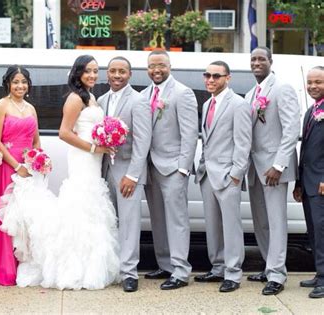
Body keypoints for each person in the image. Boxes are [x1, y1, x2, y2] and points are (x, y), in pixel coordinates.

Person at [0, 55, 120, 290]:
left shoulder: (92, 96)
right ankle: (74, 268)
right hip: (83, 158)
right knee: (81, 206)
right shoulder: (75, 98)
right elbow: (64, 133)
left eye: (96, 71)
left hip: (94, 159)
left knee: (92, 207)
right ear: (78, 73)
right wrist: (96, 147)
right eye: (88, 71)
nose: (93, 75)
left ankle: (91, 265)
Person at [140, 50, 198, 290]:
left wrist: (183, 168)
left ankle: (181, 270)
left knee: (177, 220)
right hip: (150, 166)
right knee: (158, 219)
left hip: (173, 167)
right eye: (152, 66)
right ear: (147, 69)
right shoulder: (143, 95)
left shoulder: (183, 93)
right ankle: (165, 265)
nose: (157, 70)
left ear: (170, 66)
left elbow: (190, 134)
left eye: (161, 65)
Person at [246, 46, 300, 295]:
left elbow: (291, 129)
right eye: (253, 59)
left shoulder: (282, 88)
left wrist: (279, 165)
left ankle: (277, 275)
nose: (257, 63)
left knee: (276, 222)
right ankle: (269, 267)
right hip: (254, 169)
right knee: (261, 222)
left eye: (261, 59)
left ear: (270, 61)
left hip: (273, 169)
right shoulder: (249, 94)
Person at [194, 61, 252, 293]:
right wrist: (202, 166)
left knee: (231, 226)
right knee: (213, 226)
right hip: (207, 174)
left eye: (216, 76)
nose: (210, 79)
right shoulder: (208, 103)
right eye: (207, 75)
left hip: (228, 175)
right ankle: (217, 267)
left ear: (227, 78)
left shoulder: (238, 104)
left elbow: (243, 142)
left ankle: (233, 273)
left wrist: (236, 174)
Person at [98, 56, 152, 292]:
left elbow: (143, 142)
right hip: (105, 169)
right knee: (108, 222)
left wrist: (133, 175)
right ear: (107, 74)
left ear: (130, 75)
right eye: (112, 71)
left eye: (122, 71)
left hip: (127, 172)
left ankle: (129, 273)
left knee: (129, 224)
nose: (117, 75)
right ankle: (109, 269)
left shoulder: (138, 101)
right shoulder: (101, 100)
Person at [0, 66, 40, 286]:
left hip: (29, 170)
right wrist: (16, 164)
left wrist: (37, 159)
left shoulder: (31, 108)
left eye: (24, 82)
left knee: (27, 218)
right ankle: (5, 268)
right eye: (15, 82)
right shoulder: (1, 105)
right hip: (8, 169)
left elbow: (36, 139)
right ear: (8, 84)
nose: (20, 86)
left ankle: (25, 264)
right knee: (7, 217)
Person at [293, 66, 324, 299]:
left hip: (321, 182)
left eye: (319, 82)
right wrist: (298, 181)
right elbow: (305, 150)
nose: (313, 86)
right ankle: (319, 273)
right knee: (314, 231)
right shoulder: (311, 111)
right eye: (310, 82)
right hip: (308, 181)